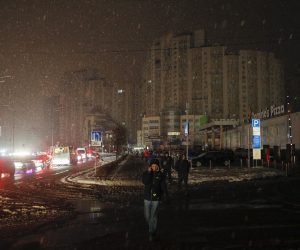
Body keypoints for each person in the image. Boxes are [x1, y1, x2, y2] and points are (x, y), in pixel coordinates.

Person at [142, 158, 168, 241]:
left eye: (155, 166)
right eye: (152, 166)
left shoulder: (160, 174)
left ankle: (152, 231)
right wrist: (149, 173)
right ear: (150, 166)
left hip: (156, 197)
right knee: (147, 216)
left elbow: (163, 186)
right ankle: (152, 228)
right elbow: (145, 182)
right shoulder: (146, 173)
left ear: (158, 166)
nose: (154, 167)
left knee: (153, 215)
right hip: (147, 197)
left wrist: (166, 195)